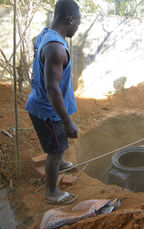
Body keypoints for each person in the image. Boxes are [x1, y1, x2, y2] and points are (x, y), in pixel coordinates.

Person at [25, 0, 81, 205]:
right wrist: (66, 121)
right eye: (78, 23)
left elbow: (36, 49)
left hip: (42, 103)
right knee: (55, 150)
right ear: (70, 19)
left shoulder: (44, 34)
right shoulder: (56, 48)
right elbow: (52, 88)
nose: (77, 27)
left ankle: (61, 161)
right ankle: (51, 192)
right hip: (49, 110)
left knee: (59, 145)